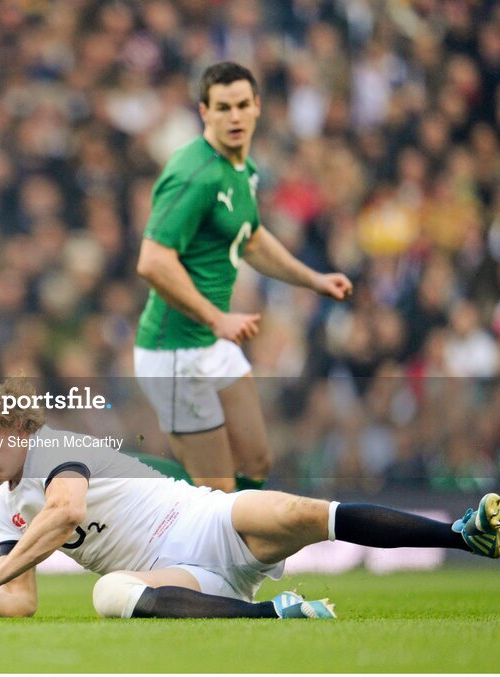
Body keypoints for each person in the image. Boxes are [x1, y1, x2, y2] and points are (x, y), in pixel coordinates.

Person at [0, 374, 500, 619]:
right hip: (177, 577)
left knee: (300, 512)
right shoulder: (7, 505)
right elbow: (23, 602)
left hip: (201, 522)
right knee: (109, 594)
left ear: (19, 428)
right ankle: (271, 615)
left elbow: (67, 511)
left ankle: (461, 534)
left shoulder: (56, 445)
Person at [134, 62, 354, 492]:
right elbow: (152, 262)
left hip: (211, 341)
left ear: (256, 107)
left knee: (256, 460)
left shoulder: (243, 168)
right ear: (204, 113)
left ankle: (235, 548)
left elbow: (250, 239)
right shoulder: (193, 174)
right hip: (175, 350)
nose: (233, 116)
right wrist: (217, 319)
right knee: (216, 490)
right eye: (222, 107)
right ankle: (120, 484)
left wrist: (314, 279)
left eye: (241, 105)